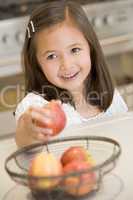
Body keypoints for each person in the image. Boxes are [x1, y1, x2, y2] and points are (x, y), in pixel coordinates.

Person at [15, 0, 128, 147]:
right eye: (52, 56)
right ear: (36, 62)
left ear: (90, 48)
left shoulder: (112, 97)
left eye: (74, 50)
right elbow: (25, 141)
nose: (66, 65)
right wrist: (28, 131)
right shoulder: (38, 107)